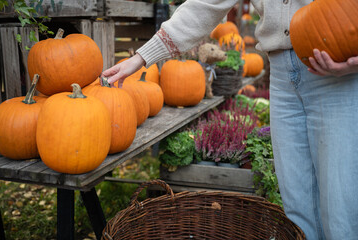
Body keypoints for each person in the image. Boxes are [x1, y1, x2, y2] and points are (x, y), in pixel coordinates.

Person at [102, 1, 358, 239]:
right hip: (281, 73)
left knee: (341, 210)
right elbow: (206, 4)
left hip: (338, 69)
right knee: (297, 210)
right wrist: (141, 58)